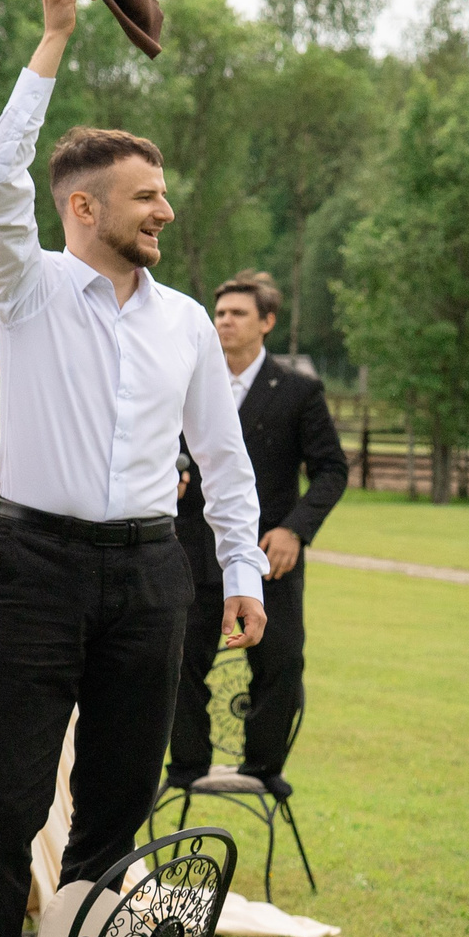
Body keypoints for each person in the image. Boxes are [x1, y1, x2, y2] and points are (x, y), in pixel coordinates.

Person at [0, 0, 267, 937]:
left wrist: (240, 571)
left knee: (118, 808)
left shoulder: (180, 325)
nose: (163, 211)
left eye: (163, 195)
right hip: (31, 568)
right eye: (144, 197)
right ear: (82, 209)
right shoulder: (25, 291)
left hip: (149, 579)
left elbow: (221, 460)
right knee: (5, 798)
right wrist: (53, 38)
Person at [169, 271, 346, 796]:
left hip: (271, 554)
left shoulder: (299, 391)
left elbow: (332, 469)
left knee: (281, 661)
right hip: (191, 547)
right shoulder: (185, 381)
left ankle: (263, 767)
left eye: (237, 313)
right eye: (219, 312)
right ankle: (187, 766)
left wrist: (296, 530)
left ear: (267, 322)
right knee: (177, 660)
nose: (224, 320)